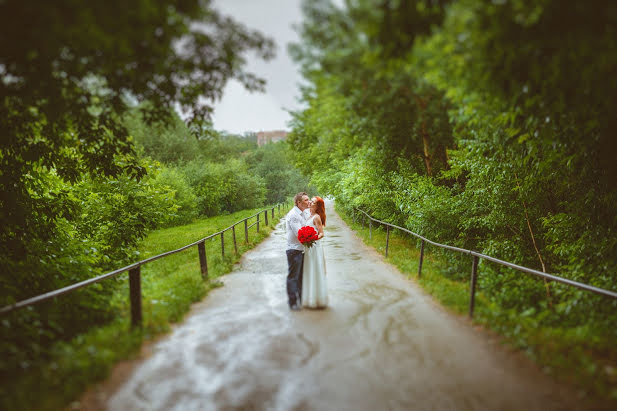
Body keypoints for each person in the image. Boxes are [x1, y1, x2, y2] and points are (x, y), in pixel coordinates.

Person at [301, 196, 328, 309]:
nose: (311, 202)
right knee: (308, 270)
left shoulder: (316, 217)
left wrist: (313, 237)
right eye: (311, 200)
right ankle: (307, 298)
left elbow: (322, 233)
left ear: (317, 206)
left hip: (314, 247)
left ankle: (317, 299)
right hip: (308, 247)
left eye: (313, 202)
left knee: (314, 270)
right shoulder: (308, 215)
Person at [285, 192, 310, 310]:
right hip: (294, 250)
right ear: (299, 203)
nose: (308, 201)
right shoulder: (293, 215)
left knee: (301, 276)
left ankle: (301, 298)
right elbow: (300, 234)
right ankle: (293, 302)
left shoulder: (304, 213)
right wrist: (313, 238)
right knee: (293, 276)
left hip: (302, 249)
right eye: (306, 200)